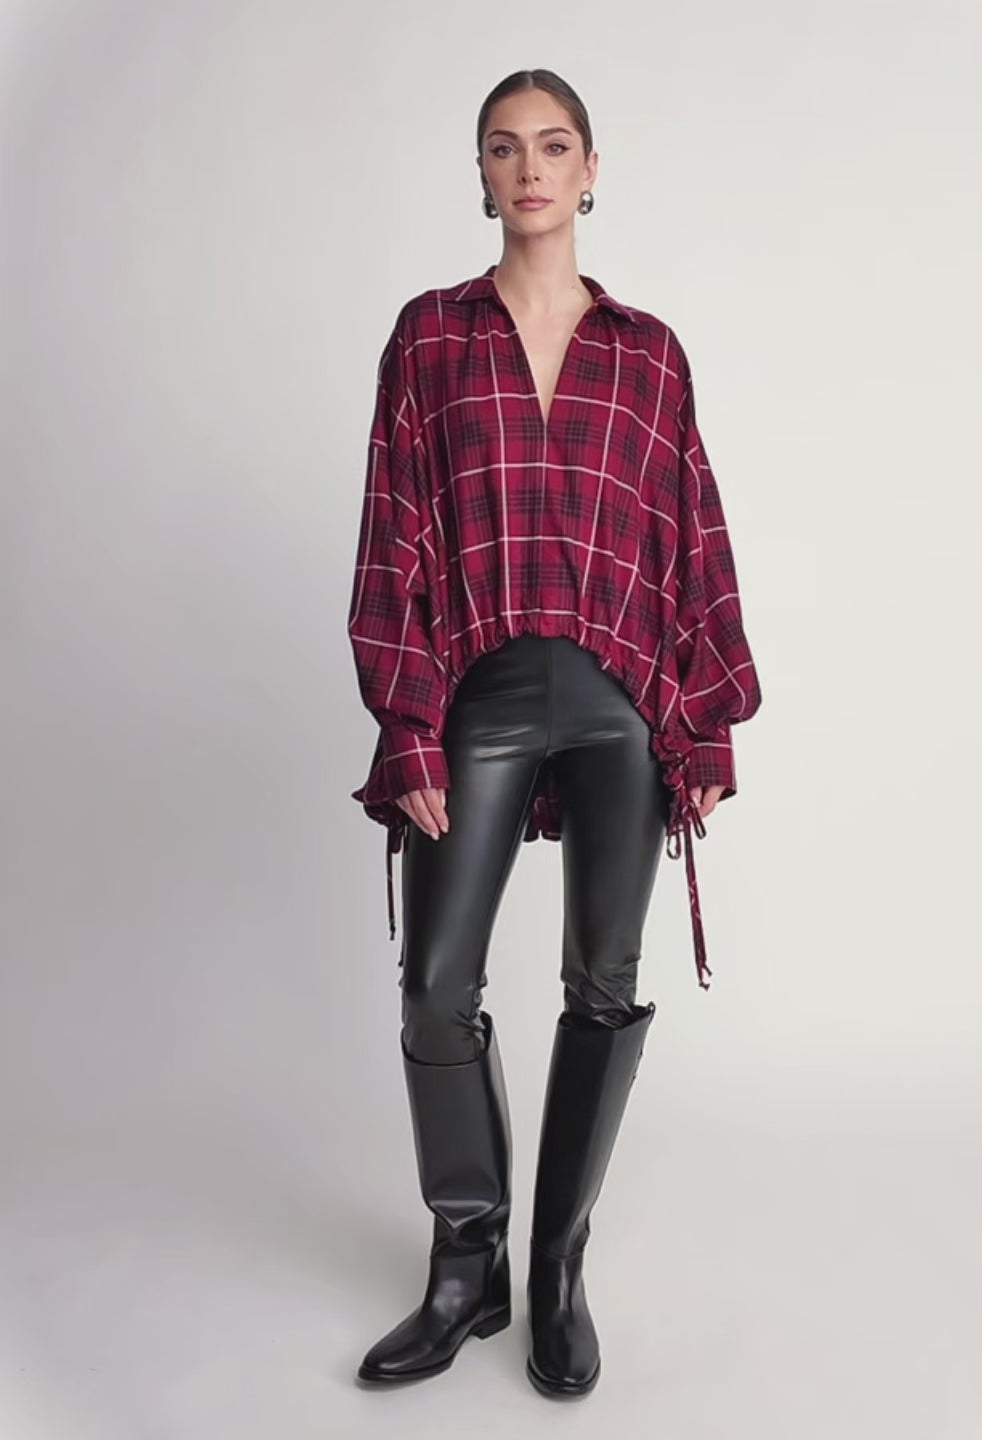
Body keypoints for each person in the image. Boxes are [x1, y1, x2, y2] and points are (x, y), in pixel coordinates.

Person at [347, 69, 762, 1397]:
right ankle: (465, 1267)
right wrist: (409, 723)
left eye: (554, 145)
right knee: (434, 985)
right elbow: (393, 534)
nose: (529, 168)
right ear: (481, 175)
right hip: (478, 690)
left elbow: (691, 539)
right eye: (503, 147)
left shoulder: (649, 353)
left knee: (604, 982)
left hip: (620, 704)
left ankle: (557, 1268)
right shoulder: (429, 337)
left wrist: (700, 727)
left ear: (591, 169)